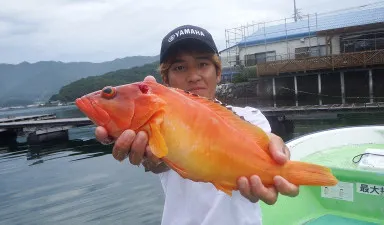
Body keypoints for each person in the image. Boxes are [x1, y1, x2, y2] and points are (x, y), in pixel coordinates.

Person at [95, 25, 299, 225]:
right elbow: (160, 162)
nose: (193, 76)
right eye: (180, 67)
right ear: (165, 80)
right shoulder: (157, 119)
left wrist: (276, 148)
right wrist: (152, 158)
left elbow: (264, 141)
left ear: (218, 73)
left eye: (203, 64)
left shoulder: (251, 116)